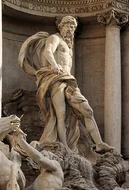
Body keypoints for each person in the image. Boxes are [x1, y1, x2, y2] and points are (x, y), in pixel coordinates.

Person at [18, 16, 113, 154]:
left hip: (69, 81)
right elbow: (48, 51)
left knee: (87, 110)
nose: (70, 30)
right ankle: (65, 148)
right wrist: (54, 65)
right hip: (55, 78)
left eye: (73, 28)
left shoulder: (69, 47)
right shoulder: (55, 38)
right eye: (68, 26)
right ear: (61, 27)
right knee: (60, 115)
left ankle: (99, 143)